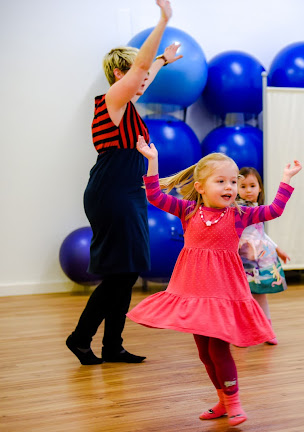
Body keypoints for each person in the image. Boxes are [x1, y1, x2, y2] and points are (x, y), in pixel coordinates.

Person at [127, 136, 301, 426]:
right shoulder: (188, 211)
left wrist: (286, 179)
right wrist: (152, 160)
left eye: (233, 182)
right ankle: (222, 400)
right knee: (204, 353)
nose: (230, 188)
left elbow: (274, 210)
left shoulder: (239, 215)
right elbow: (155, 195)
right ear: (200, 187)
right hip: (193, 292)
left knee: (219, 349)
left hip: (223, 294)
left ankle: (234, 403)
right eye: (221, 182)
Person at [66, 0, 183, 366]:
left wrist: (164, 59)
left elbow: (147, 70)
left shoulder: (128, 105)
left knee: (127, 272)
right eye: (136, 73)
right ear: (121, 74)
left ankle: (112, 345)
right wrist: (163, 21)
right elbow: (141, 68)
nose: (144, 80)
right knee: (119, 274)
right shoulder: (111, 103)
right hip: (112, 193)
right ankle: (81, 338)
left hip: (127, 191)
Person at [237, 167, 291, 345]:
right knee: (242, 298)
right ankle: (241, 332)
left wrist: (277, 249)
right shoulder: (235, 210)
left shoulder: (258, 209)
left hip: (260, 259)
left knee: (261, 296)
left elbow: (262, 233)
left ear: (260, 188)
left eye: (253, 185)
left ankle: (267, 331)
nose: (248, 190)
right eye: (243, 186)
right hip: (242, 260)